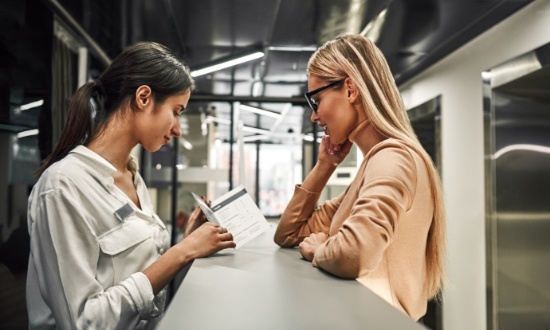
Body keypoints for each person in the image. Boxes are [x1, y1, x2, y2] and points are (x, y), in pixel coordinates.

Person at [26, 41, 235, 329]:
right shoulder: (63, 187)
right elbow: (82, 322)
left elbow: (140, 277)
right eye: (176, 111)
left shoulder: (132, 176)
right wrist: (181, 252)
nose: (177, 129)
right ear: (144, 97)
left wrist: (188, 244)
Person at [273, 34, 446, 321]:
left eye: (317, 101)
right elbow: (289, 233)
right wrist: (325, 166)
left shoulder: (393, 158)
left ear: (351, 90)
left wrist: (320, 249)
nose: (315, 117)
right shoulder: (374, 165)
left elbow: (355, 253)